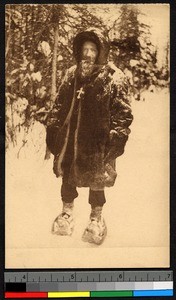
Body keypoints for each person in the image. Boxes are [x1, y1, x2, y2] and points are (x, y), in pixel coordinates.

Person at [46, 27, 133, 245]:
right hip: (70, 141)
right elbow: (58, 106)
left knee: (97, 180)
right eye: (84, 49)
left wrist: (118, 137)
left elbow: (123, 113)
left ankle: (96, 219)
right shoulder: (70, 74)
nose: (87, 54)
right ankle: (66, 214)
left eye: (92, 50)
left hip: (99, 143)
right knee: (67, 176)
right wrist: (53, 128)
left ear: (100, 52)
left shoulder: (114, 77)